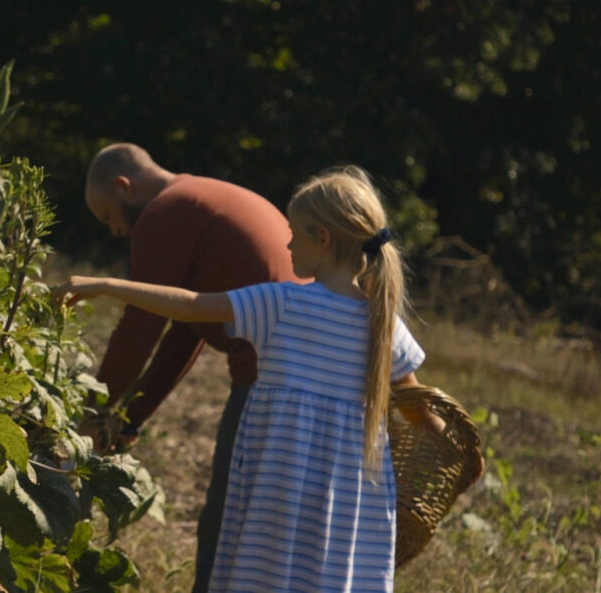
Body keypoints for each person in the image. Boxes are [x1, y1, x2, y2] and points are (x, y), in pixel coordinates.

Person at [55, 165, 440, 591]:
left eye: (294, 233)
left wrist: (107, 285)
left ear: (324, 240)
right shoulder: (385, 325)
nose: (288, 244)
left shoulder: (279, 304)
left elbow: (189, 306)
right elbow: (428, 417)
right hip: (349, 503)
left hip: (278, 487)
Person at [78, 142, 302, 592]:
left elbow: (142, 322)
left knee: (226, 527)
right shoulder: (204, 197)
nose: (116, 232)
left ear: (125, 187)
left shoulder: (167, 212)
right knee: (268, 529)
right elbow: (187, 330)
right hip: (303, 375)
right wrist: (129, 418)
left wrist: (87, 411)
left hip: (270, 382)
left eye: (109, 217)